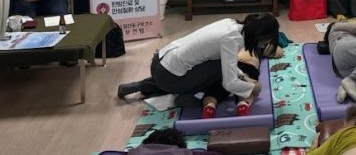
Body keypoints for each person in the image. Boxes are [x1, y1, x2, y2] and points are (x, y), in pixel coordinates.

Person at [117, 13, 280, 117]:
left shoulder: (230, 24)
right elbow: (229, 83)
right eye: (265, 42)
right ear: (260, 37)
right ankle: (188, 97)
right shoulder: (232, 40)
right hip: (169, 76)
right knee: (220, 71)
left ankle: (138, 86)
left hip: (160, 62)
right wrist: (252, 88)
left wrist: (242, 76)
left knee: (218, 66)